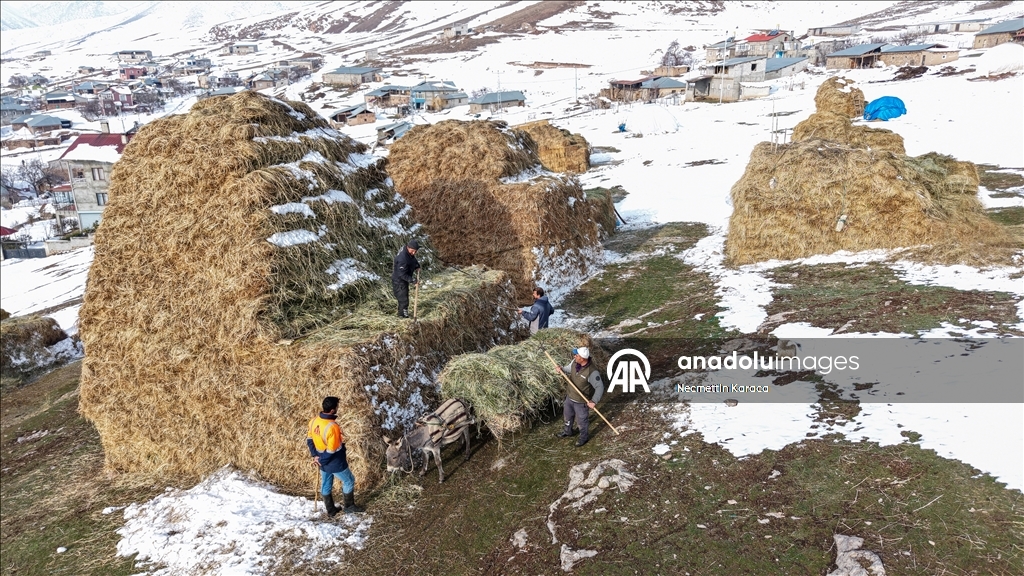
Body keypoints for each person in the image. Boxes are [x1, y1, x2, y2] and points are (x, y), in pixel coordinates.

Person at [307, 396, 364, 517]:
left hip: (322, 460)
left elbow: (309, 440)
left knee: (326, 483)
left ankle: (331, 509)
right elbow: (332, 450)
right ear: (332, 410)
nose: (338, 408)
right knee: (349, 480)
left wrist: (316, 456)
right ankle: (349, 506)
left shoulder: (313, 421)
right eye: (337, 406)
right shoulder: (333, 427)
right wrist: (322, 460)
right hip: (335, 462)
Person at [555, 347, 604, 447]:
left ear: (582, 358)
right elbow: (569, 368)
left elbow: (600, 387)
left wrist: (594, 401)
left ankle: (583, 438)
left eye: (576, 355)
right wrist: (562, 369)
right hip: (570, 397)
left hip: (581, 402)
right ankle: (568, 431)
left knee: (581, 421)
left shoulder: (592, 372)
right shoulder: (575, 362)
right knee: (567, 416)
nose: (574, 356)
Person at [391, 240, 421, 318]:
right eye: (413, 251)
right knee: (403, 300)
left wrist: (417, 265)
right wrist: (413, 280)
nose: (414, 253)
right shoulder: (402, 259)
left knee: (404, 297)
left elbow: (412, 258)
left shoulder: (407, 251)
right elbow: (402, 274)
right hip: (399, 281)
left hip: (403, 279)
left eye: (415, 251)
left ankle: (403, 313)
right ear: (408, 247)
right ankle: (402, 316)